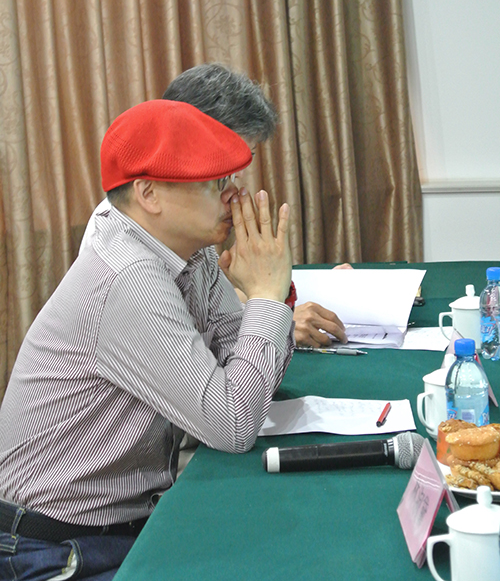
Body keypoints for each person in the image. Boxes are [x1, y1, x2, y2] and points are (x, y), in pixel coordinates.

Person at [0, 99, 295, 580]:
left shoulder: (190, 252)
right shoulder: (128, 277)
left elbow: (248, 380)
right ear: (149, 194)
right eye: (215, 183)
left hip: (119, 525)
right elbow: (234, 424)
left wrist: (268, 300)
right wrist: (266, 296)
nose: (234, 196)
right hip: (51, 547)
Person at [81, 63, 349, 348]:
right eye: (222, 169)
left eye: (243, 161)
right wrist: (272, 310)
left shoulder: (192, 224)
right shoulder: (123, 246)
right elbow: (192, 353)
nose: (234, 187)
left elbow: (214, 318)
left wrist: (271, 292)